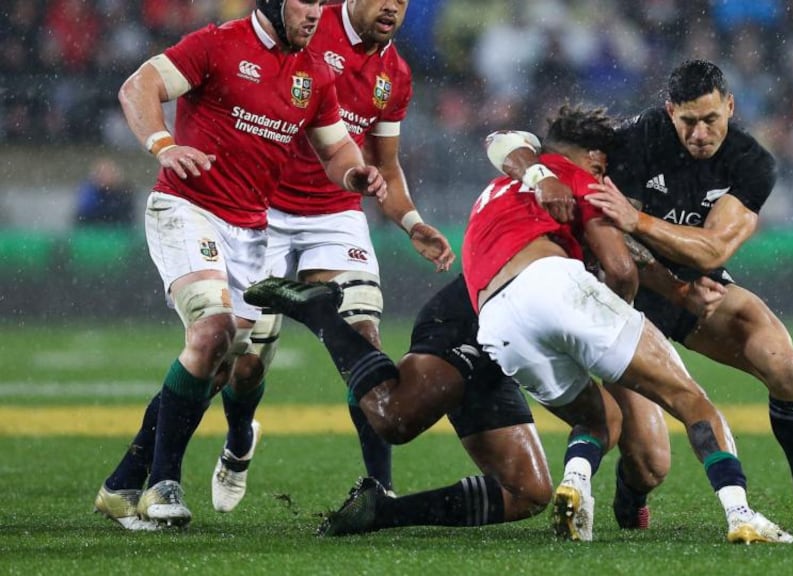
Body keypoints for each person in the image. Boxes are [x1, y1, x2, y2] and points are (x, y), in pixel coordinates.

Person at [336, 103, 791, 543]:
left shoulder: (495, 191)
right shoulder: (580, 179)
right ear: (594, 159)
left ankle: (576, 484)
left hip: (497, 321)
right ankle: (741, 514)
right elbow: (620, 268)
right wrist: (626, 314)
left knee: (600, 421)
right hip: (556, 289)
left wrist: (671, 291)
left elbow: (501, 146)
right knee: (691, 401)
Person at [489, 59, 793, 537]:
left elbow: (715, 247)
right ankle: (632, 494)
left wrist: (638, 221)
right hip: (625, 295)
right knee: (650, 462)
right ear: (670, 112)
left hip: (693, 290)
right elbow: (508, 145)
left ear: (730, 106)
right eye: (688, 121)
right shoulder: (638, 138)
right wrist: (539, 175)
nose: (701, 133)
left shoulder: (751, 164)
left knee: (784, 362)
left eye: (711, 119)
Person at [92, 0, 386, 531]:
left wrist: (355, 177)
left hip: (251, 231)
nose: (316, 12)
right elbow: (138, 86)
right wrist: (163, 145)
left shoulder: (314, 72)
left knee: (225, 365)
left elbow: (337, 147)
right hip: (187, 209)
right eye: (305, 1)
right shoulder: (217, 43)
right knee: (213, 331)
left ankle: (120, 484)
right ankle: (162, 484)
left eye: (322, 2)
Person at [209, 0, 455, 515]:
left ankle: (378, 489)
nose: (393, 7)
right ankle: (237, 441)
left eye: (403, 1)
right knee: (247, 365)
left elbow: (384, 166)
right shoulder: (306, 30)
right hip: (266, 208)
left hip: (335, 214)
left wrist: (412, 223)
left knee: (361, 340)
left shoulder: (395, 73)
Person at [244, 273, 552, 536]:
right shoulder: (571, 220)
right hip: (476, 317)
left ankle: (382, 511)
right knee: (395, 418)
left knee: (528, 493)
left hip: (504, 344)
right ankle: (319, 312)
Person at [73, 158, 136, 227]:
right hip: (93, 229)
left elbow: (127, 216)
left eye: (109, 173)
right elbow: (85, 213)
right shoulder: (89, 192)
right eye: (102, 173)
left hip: (117, 230)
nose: (106, 177)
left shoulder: (123, 193)